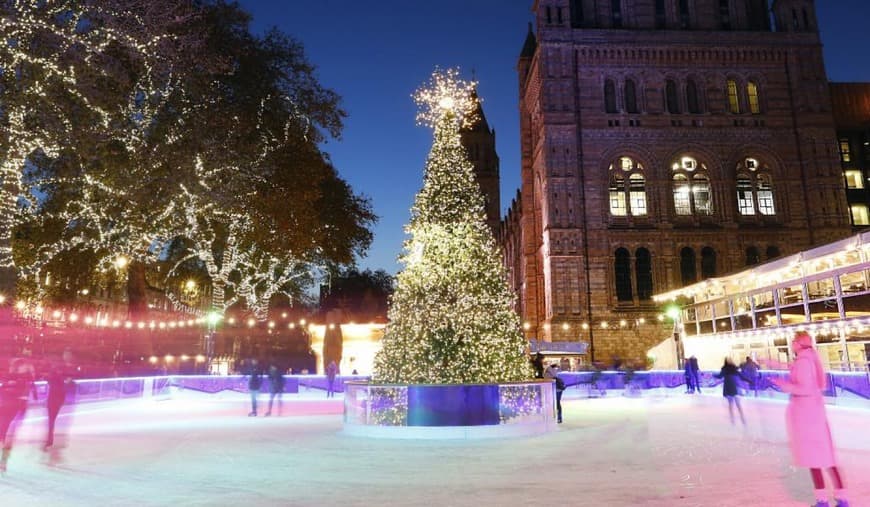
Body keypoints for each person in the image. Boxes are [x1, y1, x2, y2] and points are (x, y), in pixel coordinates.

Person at [763, 332, 849, 507]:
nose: (792, 344)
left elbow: (805, 388)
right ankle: (841, 498)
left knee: (815, 459)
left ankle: (823, 500)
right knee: (826, 458)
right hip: (814, 415)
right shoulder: (807, 358)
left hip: (808, 416)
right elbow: (795, 369)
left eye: (794, 341)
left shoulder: (803, 361)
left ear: (800, 344)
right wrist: (775, 364)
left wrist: (783, 385)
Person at [0, 357, 37, 473]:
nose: (25, 369)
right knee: (3, 436)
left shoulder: (27, 380)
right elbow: (3, 389)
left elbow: (32, 394)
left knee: (9, 437)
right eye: (23, 366)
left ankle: (3, 461)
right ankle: (3, 460)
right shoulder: (8, 377)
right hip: (5, 409)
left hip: (17, 410)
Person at [45, 349, 76, 451]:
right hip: (53, 395)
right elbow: (50, 379)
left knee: (55, 418)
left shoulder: (71, 369)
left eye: (68, 354)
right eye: (65, 354)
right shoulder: (57, 367)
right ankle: (50, 439)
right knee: (51, 418)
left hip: (60, 397)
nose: (66, 356)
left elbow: (70, 383)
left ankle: (53, 439)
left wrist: (67, 382)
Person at [714, 357, 746, 425]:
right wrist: (749, 380)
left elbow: (719, 376)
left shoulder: (725, 369)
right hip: (733, 387)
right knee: (736, 403)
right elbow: (741, 376)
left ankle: (734, 419)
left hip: (729, 387)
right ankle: (738, 418)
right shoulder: (733, 368)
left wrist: (713, 375)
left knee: (732, 403)